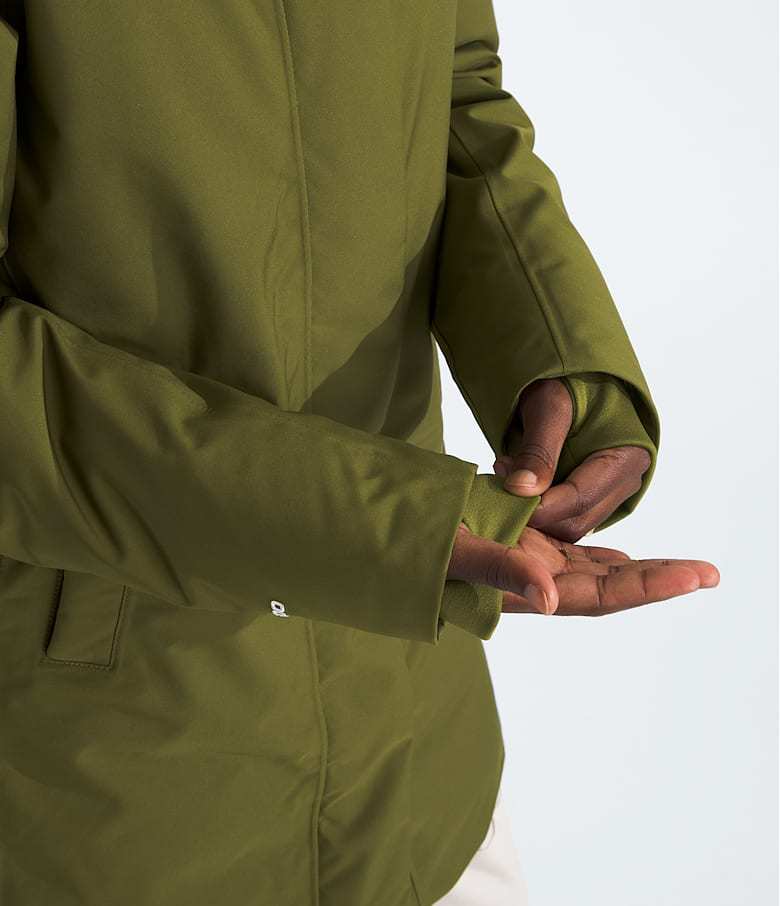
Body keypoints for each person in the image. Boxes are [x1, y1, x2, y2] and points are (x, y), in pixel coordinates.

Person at [0, 1, 719, 904]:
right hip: (110, 796)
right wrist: (384, 528)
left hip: (423, 767)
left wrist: (562, 358)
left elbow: (455, 97)